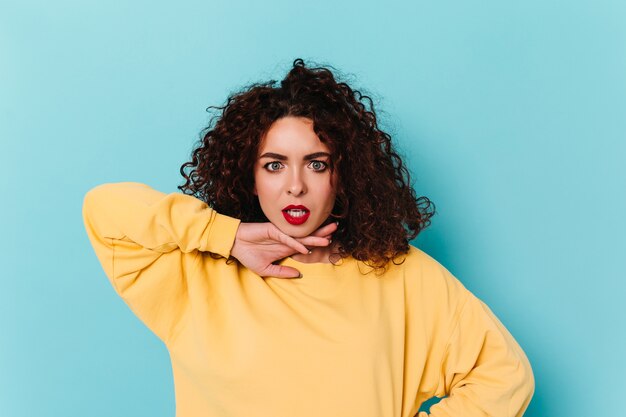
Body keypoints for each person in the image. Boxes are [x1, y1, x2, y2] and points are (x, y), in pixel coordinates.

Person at [82, 59, 534, 417]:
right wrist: (226, 235)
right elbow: (104, 208)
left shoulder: (402, 275)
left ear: (343, 176)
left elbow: (505, 375)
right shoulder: (199, 273)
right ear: (250, 176)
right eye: (274, 165)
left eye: (316, 164)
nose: (295, 185)